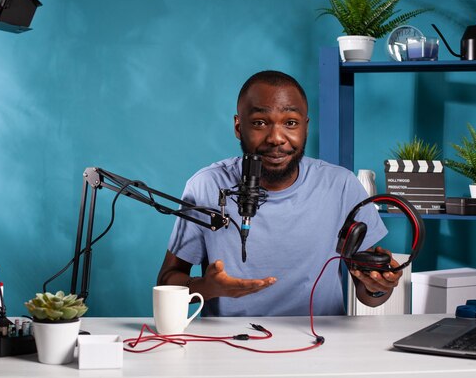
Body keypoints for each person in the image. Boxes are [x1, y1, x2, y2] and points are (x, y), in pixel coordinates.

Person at [157, 70, 402, 316]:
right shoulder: (205, 186)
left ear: (305, 127)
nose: (276, 138)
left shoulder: (341, 185)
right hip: (230, 343)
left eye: (290, 123)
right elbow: (166, 280)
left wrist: (378, 287)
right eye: (260, 123)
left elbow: (368, 293)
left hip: (320, 342)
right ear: (238, 126)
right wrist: (206, 288)